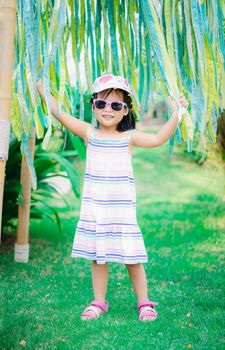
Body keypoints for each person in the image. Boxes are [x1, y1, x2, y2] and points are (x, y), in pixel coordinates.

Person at [37, 73, 189, 322]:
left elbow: (159, 138)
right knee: (99, 257)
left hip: (121, 213)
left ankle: (144, 302)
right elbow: (61, 114)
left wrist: (177, 114)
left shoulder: (129, 138)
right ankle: (98, 301)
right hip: (97, 212)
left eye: (116, 105)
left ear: (125, 110)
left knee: (132, 258)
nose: (108, 109)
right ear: (93, 105)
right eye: (101, 104)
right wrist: (43, 90)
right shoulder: (89, 134)